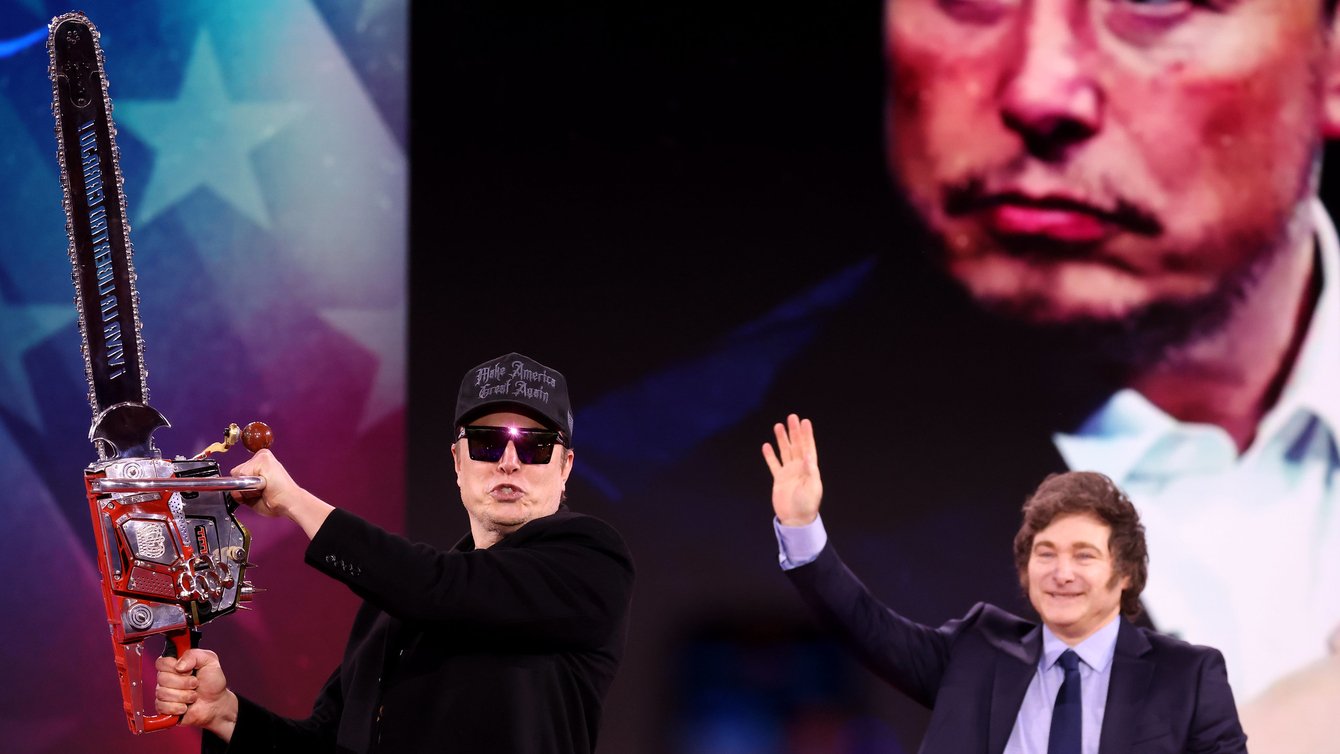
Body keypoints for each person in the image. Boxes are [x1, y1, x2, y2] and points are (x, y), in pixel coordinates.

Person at [153, 352, 635, 754]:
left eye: (534, 447)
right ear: (457, 461)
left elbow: (442, 589)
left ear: (566, 465)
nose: (509, 461)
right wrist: (225, 714)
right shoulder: (390, 610)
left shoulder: (590, 561)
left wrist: (297, 501)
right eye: (487, 443)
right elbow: (327, 745)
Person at [762, 413, 1248, 753]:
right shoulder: (978, 651)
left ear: (1124, 574)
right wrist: (803, 527)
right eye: (1046, 554)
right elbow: (864, 624)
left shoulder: (1187, 677)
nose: (1062, 573)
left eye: (1084, 555)